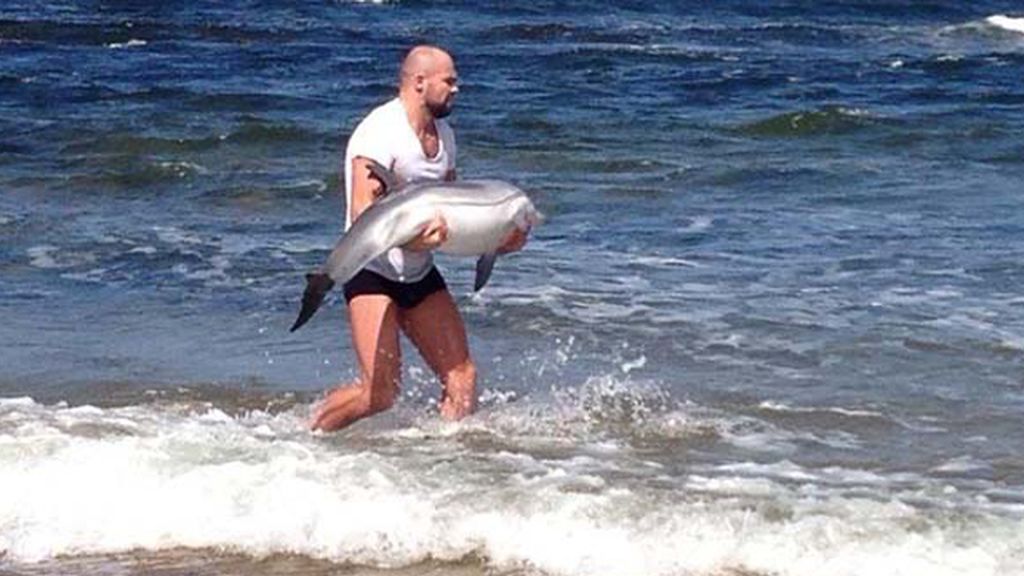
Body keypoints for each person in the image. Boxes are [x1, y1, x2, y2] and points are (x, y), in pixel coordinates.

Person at [310, 45, 528, 432]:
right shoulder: (379, 133)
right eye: (450, 81)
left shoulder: (444, 134)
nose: (457, 89)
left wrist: (495, 241)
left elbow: (454, 208)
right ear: (419, 82)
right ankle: (300, 438)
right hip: (372, 271)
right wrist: (411, 242)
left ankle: (442, 466)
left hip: (419, 272)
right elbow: (364, 215)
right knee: (378, 395)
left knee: (462, 378)